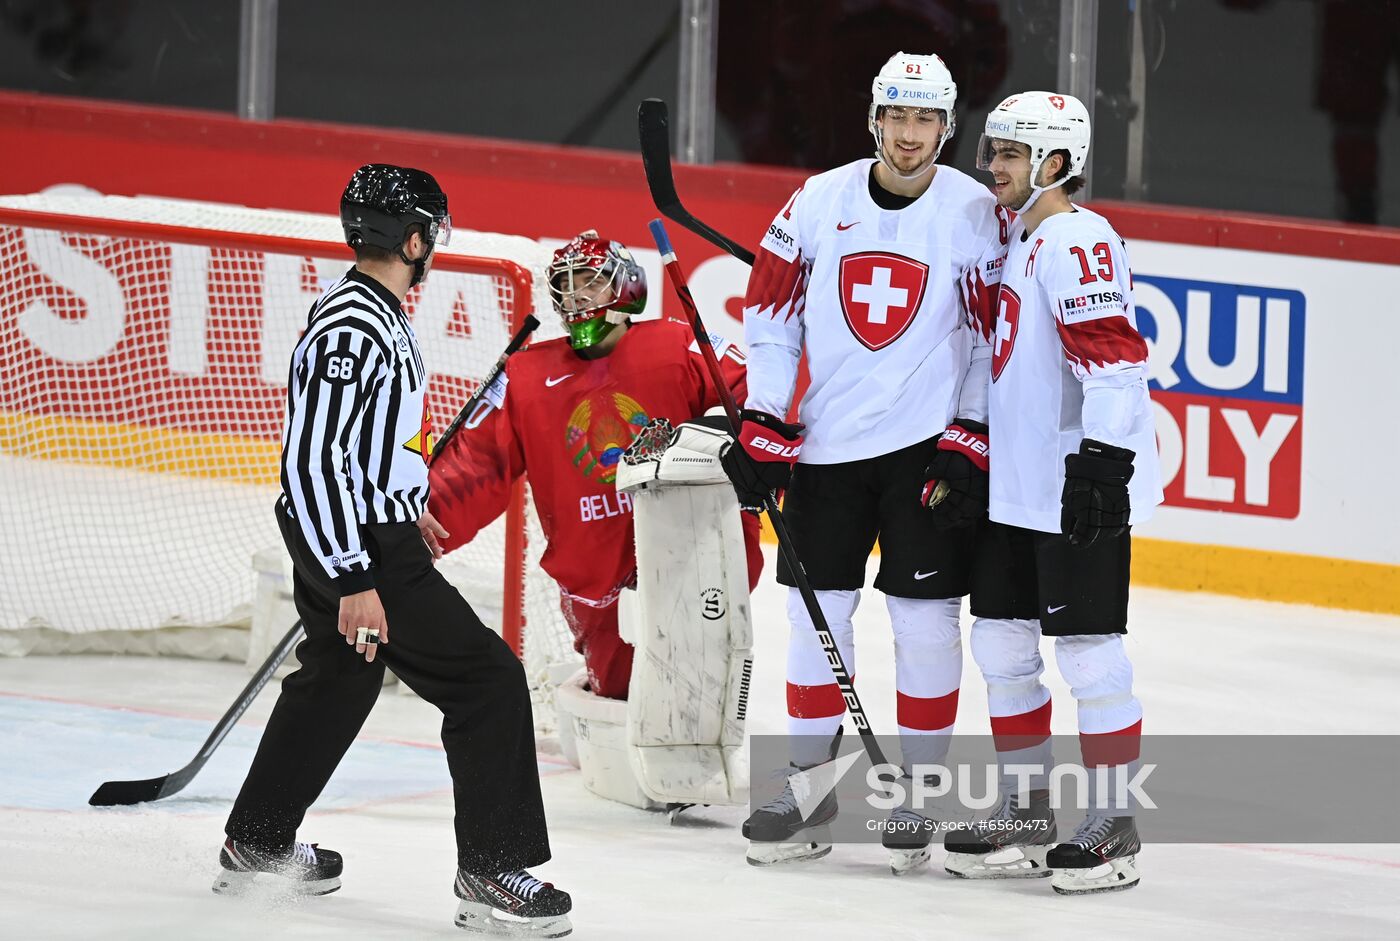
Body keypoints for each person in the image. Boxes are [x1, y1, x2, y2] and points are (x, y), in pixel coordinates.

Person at [215, 164, 572, 936]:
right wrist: (356, 573)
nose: (432, 248)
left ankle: (258, 838)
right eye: (430, 234)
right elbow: (313, 464)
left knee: (340, 676)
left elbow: (364, 451)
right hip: (358, 549)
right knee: (487, 681)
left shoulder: (368, 309)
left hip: (365, 532)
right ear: (412, 238)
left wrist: (404, 503)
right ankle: (490, 871)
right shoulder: (356, 324)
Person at [723, 52, 1005, 869]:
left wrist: (969, 432)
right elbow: (771, 312)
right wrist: (767, 419)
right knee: (816, 619)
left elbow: (992, 336)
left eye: (925, 120)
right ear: (874, 118)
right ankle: (809, 790)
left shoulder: (975, 212)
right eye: (896, 116)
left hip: (924, 450)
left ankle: (918, 790)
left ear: (947, 127)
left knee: (923, 623)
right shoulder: (819, 198)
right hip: (828, 450)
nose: (909, 134)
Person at [936, 92, 1161, 895]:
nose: (990, 166)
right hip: (1017, 490)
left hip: (1071, 488)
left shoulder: (1075, 238)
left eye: (1008, 154)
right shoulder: (1019, 240)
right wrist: (971, 449)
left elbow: (1115, 361)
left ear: (1054, 164)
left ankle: (1114, 825)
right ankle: (1026, 810)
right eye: (991, 151)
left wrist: (1102, 463)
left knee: (1091, 655)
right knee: (1000, 645)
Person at [428, 230, 763, 702]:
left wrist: (744, 456)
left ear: (625, 288)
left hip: (691, 559)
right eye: (566, 286)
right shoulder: (527, 378)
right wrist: (421, 519)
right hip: (593, 579)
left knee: (703, 692)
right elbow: (477, 461)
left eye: (590, 282)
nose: (576, 296)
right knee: (621, 696)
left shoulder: (675, 344)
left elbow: (760, 397)